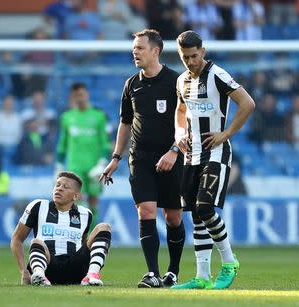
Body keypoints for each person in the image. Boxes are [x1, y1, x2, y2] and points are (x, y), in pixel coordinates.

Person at [100, 29, 185, 288]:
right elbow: (125, 123)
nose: (134, 52)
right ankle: (152, 273)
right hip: (140, 158)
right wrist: (116, 157)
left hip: (173, 156)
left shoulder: (176, 81)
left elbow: (188, 121)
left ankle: (172, 271)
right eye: (133, 48)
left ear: (155, 51)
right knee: (146, 211)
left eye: (139, 48)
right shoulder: (131, 84)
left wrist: (174, 150)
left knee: (173, 218)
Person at [172, 30, 255, 289]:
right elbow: (180, 110)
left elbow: (247, 103)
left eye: (194, 56)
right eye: (185, 57)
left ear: (203, 52)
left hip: (216, 153)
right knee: (196, 215)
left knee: (206, 208)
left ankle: (229, 262)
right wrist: (179, 134)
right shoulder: (181, 80)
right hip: (191, 155)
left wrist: (227, 133)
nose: (190, 62)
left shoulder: (217, 75)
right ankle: (202, 276)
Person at [10, 171, 112, 286]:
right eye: (57, 185)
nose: (59, 189)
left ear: (76, 196)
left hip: (75, 270)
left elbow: (84, 244)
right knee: (36, 242)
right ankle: (39, 276)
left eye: (65, 187)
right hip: (48, 267)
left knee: (104, 227)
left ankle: (92, 275)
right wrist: (24, 271)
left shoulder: (85, 214)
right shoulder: (38, 206)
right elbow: (16, 239)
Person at [57, 82, 110, 230]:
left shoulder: (99, 116)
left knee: (93, 199)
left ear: (87, 94)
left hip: (94, 167)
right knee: (76, 199)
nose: (80, 97)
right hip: (75, 167)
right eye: (77, 95)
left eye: (82, 94)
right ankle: (80, 234)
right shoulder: (67, 117)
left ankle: (93, 234)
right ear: (72, 97)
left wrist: (102, 163)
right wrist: (59, 165)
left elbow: (105, 143)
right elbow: (62, 143)